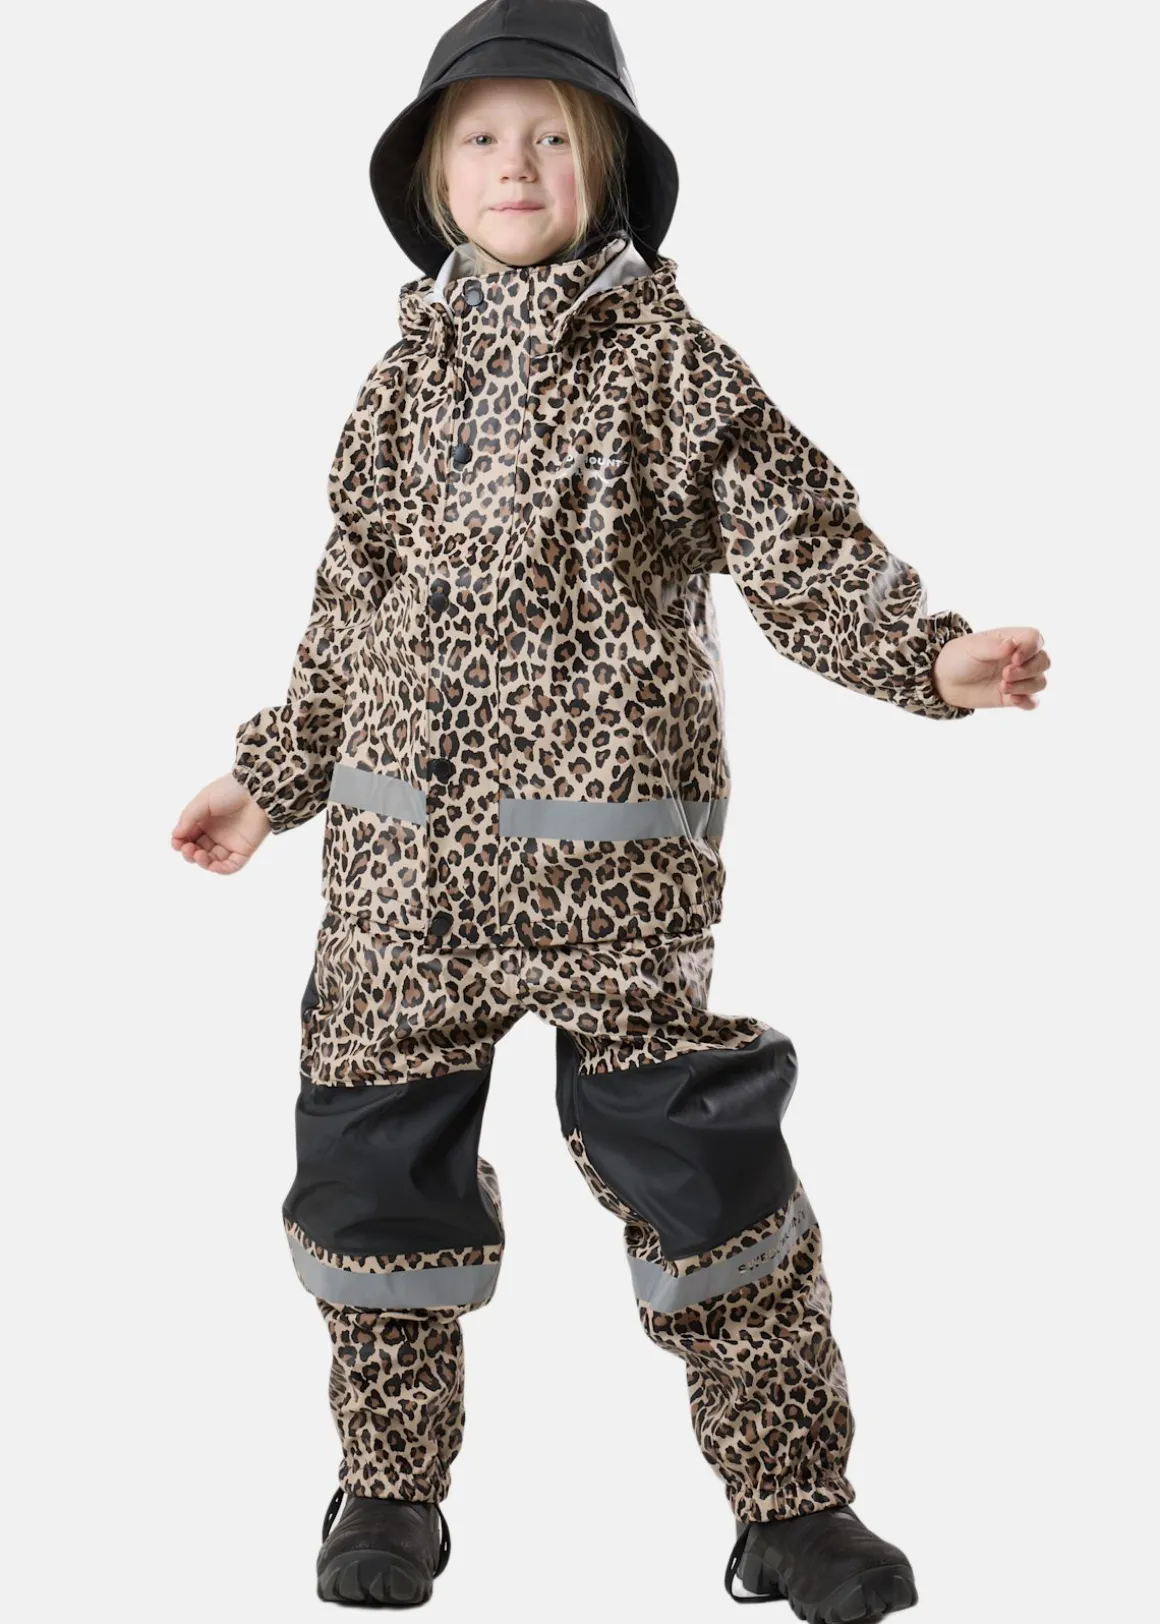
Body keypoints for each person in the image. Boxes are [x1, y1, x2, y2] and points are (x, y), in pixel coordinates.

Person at [171, 1, 1049, 1614]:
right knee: (373, 1187)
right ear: (434, 174)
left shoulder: (666, 366)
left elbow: (798, 539)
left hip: (611, 885)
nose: (515, 164)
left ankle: (793, 1506)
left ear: (612, 169)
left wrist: (934, 658)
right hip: (396, 883)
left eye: (551, 137)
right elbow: (348, 611)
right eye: (481, 137)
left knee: (707, 1177)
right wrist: (268, 778)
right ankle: (388, 1492)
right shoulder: (399, 384)